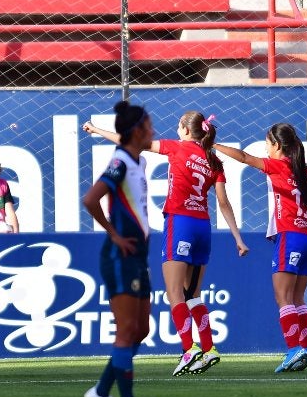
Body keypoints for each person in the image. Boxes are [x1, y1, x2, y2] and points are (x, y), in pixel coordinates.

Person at [84, 111, 249, 377]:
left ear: (185, 129)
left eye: (178, 125)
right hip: (203, 228)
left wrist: (97, 130)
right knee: (192, 294)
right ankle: (208, 348)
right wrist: (237, 238)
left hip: (180, 222)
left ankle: (188, 349)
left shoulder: (177, 147)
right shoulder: (213, 160)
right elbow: (223, 202)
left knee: (174, 293)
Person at [214, 124, 307, 373]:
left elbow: (243, 157)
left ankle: (294, 349)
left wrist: (213, 145)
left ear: (276, 146)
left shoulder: (277, 166)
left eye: (266, 143)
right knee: (298, 298)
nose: (265, 147)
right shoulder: (306, 172)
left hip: (290, 237)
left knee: (283, 298)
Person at [81, 100, 160, 397]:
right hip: (120, 257)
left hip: (138, 257)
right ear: (137, 130)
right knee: (127, 330)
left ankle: (101, 392)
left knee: (140, 329)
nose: (153, 130)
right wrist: (113, 233)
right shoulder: (121, 162)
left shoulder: (136, 162)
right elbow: (90, 198)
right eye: (149, 125)